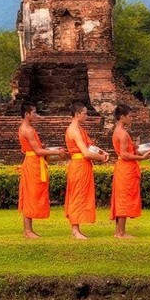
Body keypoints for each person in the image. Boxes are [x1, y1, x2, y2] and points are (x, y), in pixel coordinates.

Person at [17, 102, 66, 238]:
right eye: (34, 113)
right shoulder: (28, 130)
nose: (36, 115)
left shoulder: (25, 128)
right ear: (27, 114)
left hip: (33, 162)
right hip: (33, 164)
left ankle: (29, 230)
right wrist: (56, 151)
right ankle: (28, 231)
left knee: (32, 194)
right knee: (31, 195)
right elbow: (38, 150)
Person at [65, 101, 109, 239]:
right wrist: (101, 158)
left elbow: (90, 146)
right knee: (77, 196)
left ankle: (77, 228)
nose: (87, 116)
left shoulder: (81, 130)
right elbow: (86, 153)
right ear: (77, 114)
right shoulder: (73, 130)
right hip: (78, 165)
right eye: (84, 113)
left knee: (81, 195)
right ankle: (75, 230)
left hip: (83, 166)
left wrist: (103, 152)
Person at [110, 104, 150, 238]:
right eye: (129, 116)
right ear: (122, 117)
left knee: (122, 198)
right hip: (125, 168)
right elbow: (124, 154)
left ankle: (118, 231)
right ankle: (121, 233)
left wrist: (138, 147)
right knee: (124, 199)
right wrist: (141, 157)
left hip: (123, 167)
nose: (131, 119)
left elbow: (128, 149)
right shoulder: (122, 133)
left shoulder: (118, 131)